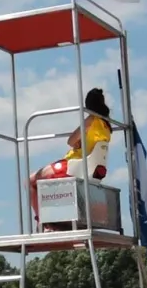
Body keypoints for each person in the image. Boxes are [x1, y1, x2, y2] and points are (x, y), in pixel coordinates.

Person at [30, 88, 114, 228]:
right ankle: (53, 221)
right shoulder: (106, 126)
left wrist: (77, 142)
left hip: (73, 164)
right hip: (91, 167)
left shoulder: (91, 120)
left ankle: (43, 223)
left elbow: (70, 141)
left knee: (31, 180)